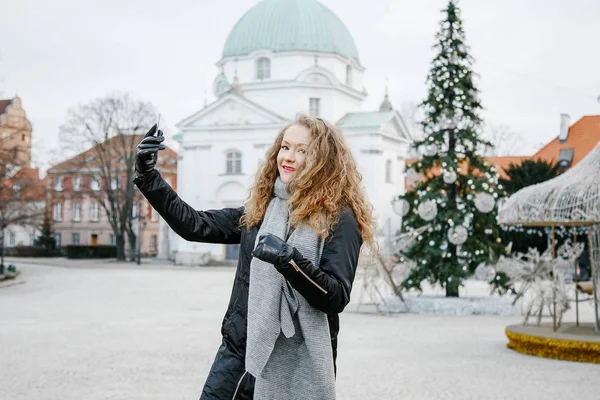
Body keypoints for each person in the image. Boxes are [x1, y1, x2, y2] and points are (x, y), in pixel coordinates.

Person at [133, 114, 376, 399]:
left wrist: (289, 260)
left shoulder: (340, 218)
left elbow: (335, 296)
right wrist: (149, 176)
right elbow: (195, 224)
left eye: (303, 150)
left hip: (293, 364)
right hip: (237, 354)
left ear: (324, 160)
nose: (289, 157)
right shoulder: (261, 209)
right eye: (285, 147)